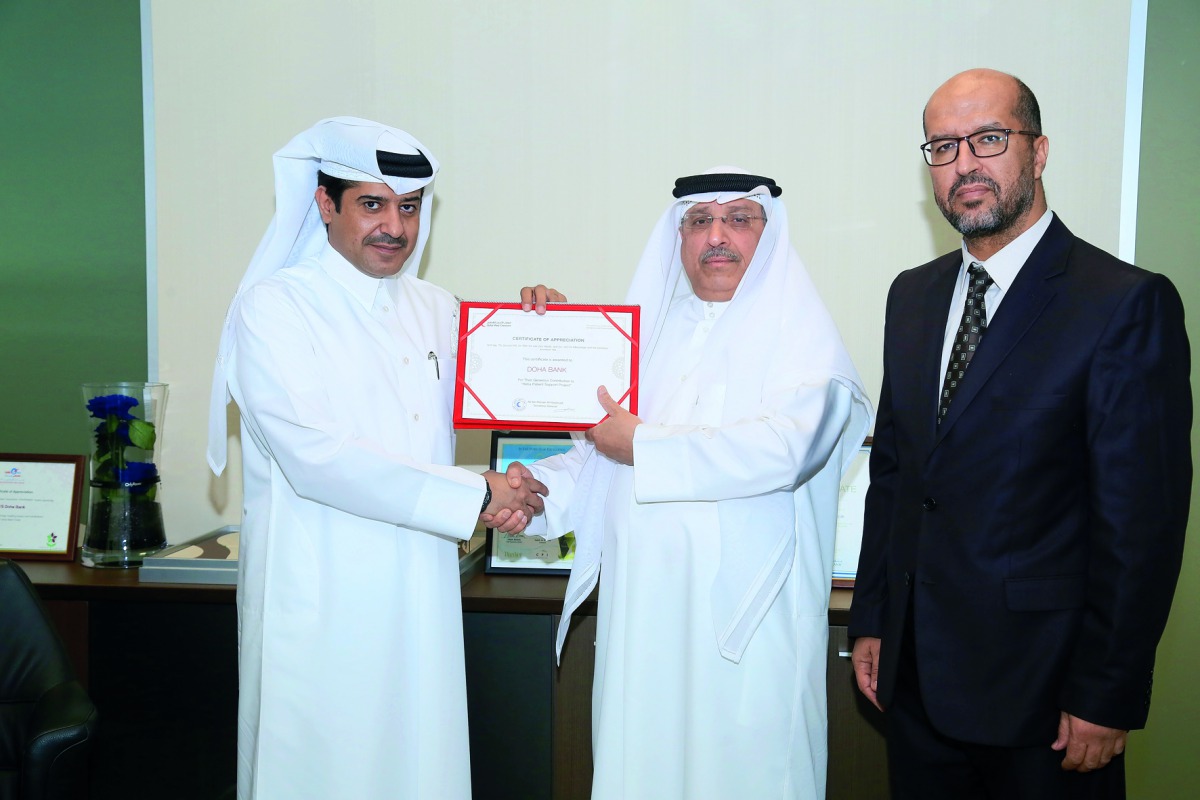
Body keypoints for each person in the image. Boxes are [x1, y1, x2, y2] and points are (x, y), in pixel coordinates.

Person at [849, 69, 1192, 799]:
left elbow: (1142, 525)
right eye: (943, 147)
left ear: (1038, 152)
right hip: (914, 684)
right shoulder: (912, 296)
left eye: (989, 139)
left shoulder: (1124, 303)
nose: (964, 164)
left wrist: (1107, 690)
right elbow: (897, 475)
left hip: (1047, 700)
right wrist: (874, 620)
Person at [206, 117, 547, 799]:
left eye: (410, 207)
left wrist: (548, 331)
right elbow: (317, 457)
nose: (395, 226)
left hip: (421, 591)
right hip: (323, 595)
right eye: (373, 205)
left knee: (418, 765)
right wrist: (477, 494)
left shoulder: (438, 308)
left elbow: (512, 395)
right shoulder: (274, 309)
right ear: (324, 204)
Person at [520, 169, 874, 798]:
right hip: (641, 623)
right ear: (677, 235)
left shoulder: (805, 342)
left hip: (748, 635)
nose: (717, 236)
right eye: (699, 221)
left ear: (769, 234)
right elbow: (599, 457)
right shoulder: (648, 335)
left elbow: (783, 451)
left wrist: (644, 444)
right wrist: (530, 494)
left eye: (739, 219)